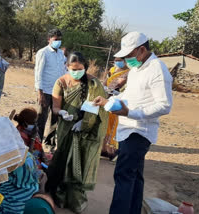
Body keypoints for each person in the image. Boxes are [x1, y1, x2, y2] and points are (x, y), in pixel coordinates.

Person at [94, 32, 173, 214]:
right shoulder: (137, 69)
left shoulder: (157, 70)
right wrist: (110, 100)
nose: (126, 60)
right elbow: (130, 96)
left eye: (129, 56)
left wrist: (131, 112)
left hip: (138, 131)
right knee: (134, 176)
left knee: (123, 176)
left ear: (142, 50)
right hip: (128, 128)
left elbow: (164, 105)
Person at [45, 52, 108, 213]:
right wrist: (61, 114)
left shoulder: (94, 84)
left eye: (80, 69)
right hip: (66, 129)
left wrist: (84, 123)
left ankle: (74, 199)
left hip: (85, 131)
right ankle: (56, 195)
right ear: (67, 67)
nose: (76, 72)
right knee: (61, 160)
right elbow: (55, 107)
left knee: (79, 164)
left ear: (85, 67)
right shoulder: (61, 82)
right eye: (73, 69)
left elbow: (101, 108)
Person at [34, 29, 66, 145]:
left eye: (60, 39)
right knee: (42, 117)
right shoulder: (43, 52)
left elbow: (63, 70)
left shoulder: (61, 54)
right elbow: (38, 73)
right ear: (49, 39)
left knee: (56, 118)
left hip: (58, 91)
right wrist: (40, 92)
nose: (58, 42)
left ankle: (50, 142)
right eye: (56, 39)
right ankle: (37, 142)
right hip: (46, 90)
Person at [101, 58, 130, 160]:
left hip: (118, 101)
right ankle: (103, 150)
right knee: (106, 124)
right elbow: (105, 82)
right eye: (116, 60)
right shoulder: (112, 70)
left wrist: (115, 92)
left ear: (125, 60)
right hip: (107, 99)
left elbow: (119, 85)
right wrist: (103, 88)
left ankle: (111, 151)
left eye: (120, 60)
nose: (117, 62)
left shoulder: (128, 73)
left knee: (114, 125)